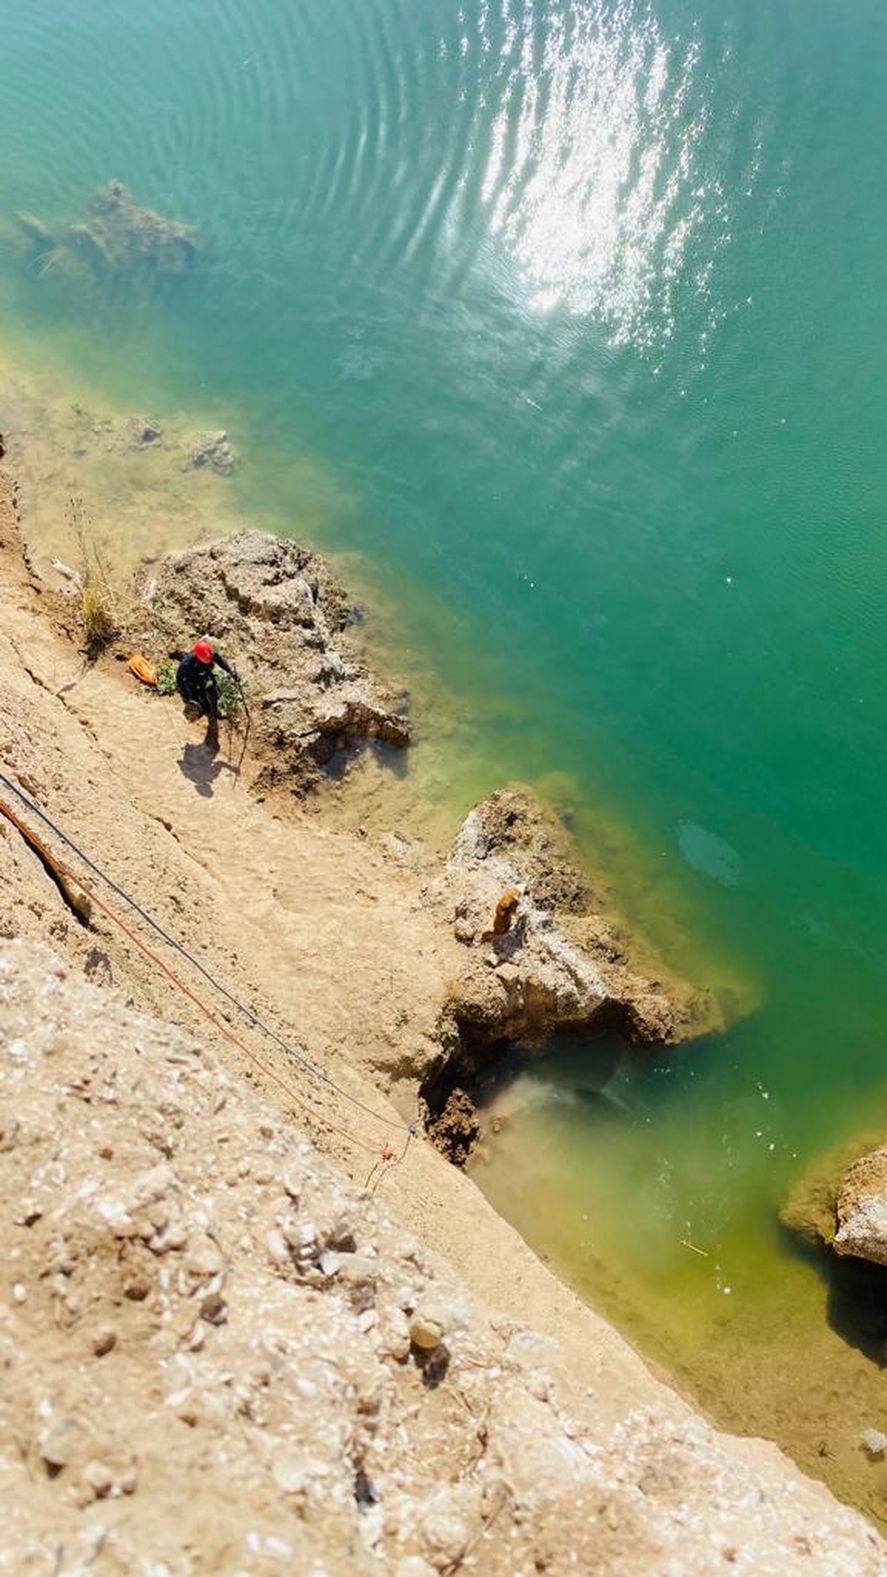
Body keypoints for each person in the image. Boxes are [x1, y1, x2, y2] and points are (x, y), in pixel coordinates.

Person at [176, 638, 238, 733]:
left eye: (210, 659)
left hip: (203, 674)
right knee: (201, 703)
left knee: (214, 692)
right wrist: (188, 698)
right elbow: (181, 681)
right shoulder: (186, 664)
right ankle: (203, 711)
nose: (209, 660)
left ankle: (215, 711)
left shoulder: (209, 653)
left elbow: (220, 660)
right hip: (191, 680)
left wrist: (230, 672)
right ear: (198, 657)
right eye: (206, 660)